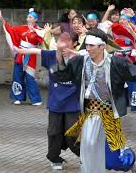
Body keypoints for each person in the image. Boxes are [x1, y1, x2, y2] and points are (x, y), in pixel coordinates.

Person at [52, 28, 136, 173]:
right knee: (88, 149)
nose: (87, 48)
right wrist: (59, 53)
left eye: (91, 46)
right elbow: (62, 76)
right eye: (87, 45)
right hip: (89, 114)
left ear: (102, 46)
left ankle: (129, 156)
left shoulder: (116, 63)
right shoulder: (80, 62)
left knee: (113, 161)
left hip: (109, 115)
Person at [15, 32, 81, 170]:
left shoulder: (79, 58)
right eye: (60, 40)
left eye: (66, 40)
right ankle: (55, 158)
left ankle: (85, 156)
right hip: (56, 102)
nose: (62, 43)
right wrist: (19, 50)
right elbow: (35, 50)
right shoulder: (51, 55)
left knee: (72, 134)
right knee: (53, 131)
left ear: (74, 43)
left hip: (72, 103)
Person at [0, 9, 43, 106]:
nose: (28, 18)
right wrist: (2, 20)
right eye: (27, 17)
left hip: (30, 55)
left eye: (30, 17)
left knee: (30, 77)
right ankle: (18, 97)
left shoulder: (39, 30)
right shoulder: (22, 28)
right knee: (17, 75)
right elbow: (11, 30)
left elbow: (43, 40)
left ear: (36, 19)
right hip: (20, 54)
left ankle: (36, 99)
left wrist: (37, 31)